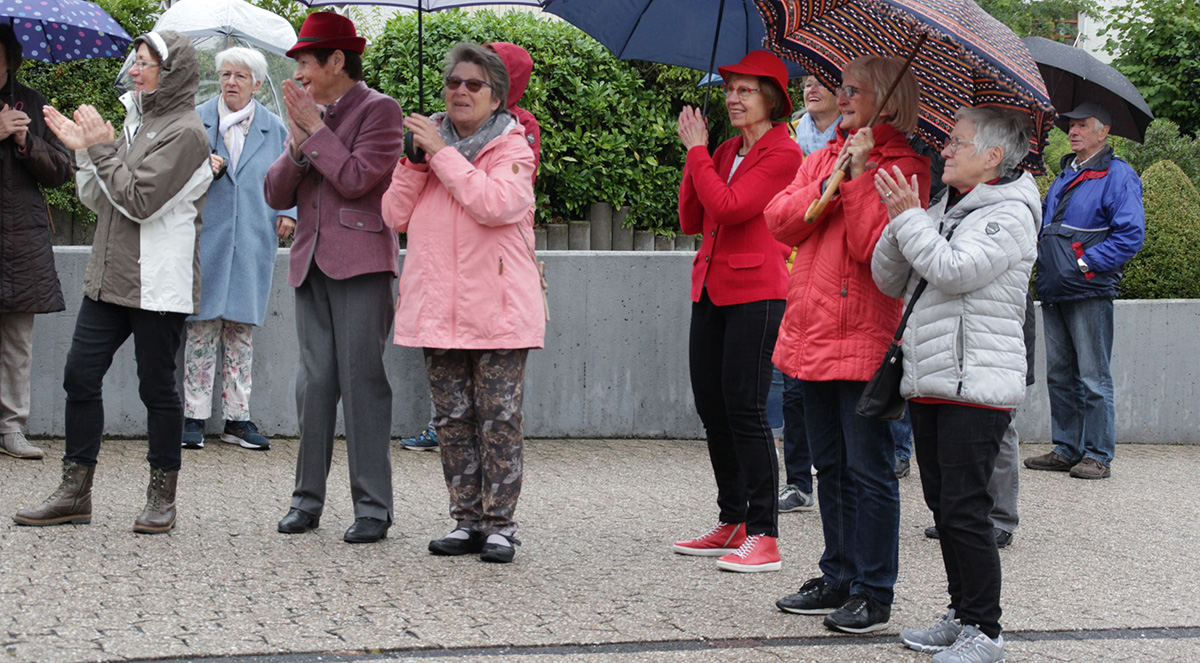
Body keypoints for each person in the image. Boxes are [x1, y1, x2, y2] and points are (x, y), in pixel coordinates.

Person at [13, 30, 212, 533]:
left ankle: (162, 495)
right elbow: (103, 200)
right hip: (110, 275)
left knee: (157, 390)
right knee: (79, 376)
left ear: (172, 74)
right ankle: (75, 492)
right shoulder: (136, 123)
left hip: (157, 285)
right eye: (136, 61)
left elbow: (141, 202)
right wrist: (84, 152)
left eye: (145, 63)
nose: (135, 69)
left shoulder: (187, 132)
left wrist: (99, 150)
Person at [766, 55, 930, 633]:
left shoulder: (904, 166)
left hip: (861, 334)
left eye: (857, 88)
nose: (845, 95)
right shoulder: (826, 154)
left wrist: (858, 183)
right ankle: (836, 573)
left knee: (869, 468)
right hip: (810, 332)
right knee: (829, 466)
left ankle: (874, 589)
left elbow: (873, 253)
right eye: (844, 86)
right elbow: (781, 219)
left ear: (887, 97)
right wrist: (833, 185)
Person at [872, 105, 1040, 663]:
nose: (945, 149)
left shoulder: (1010, 212)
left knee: (967, 509)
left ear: (993, 157)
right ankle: (962, 612)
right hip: (934, 375)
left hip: (977, 381)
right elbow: (890, 277)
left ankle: (986, 632)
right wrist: (905, 219)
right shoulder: (951, 206)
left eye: (957, 142)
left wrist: (910, 219)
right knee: (945, 506)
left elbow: (954, 271)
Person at [382, 41, 543, 564]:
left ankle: (500, 526)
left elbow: (495, 204)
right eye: (454, 83)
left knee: (498, 418)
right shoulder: (427, 150)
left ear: (496, 98)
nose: (460, 92)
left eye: (474, 84)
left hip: (497, 311)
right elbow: (393, 216)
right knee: (451, 420)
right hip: (438, 308)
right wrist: (412, 161)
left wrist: (442, 155)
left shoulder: (513, 148)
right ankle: (465, 520)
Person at [264, 12, 405, 544]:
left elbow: (356, 178)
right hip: (310, 260)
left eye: (305, 62)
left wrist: (315, 131)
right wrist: (299, 144)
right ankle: (306, 501)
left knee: (363, 382)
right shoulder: (307, 115)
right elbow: (274, 194)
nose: (299, 74)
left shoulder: (380, 110)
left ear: (337, 61)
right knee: (314, 383)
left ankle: (373, 508)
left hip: (363, 263)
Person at [669, 50, 802, 573]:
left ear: (771, 99)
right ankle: (734, 519)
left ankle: (764, 533)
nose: (733, 97)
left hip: (758, 291)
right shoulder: (723, 150)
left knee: (744, 409)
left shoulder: (783, 153)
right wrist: (696, 156)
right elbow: (689, 218)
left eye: (746, 90)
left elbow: (729, 208)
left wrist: (699, 154)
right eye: (730, 89)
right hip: (710, 287)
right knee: (712, 406)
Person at [1024, 101, 1144, 480]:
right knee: (1059, 375)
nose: (1072, 131)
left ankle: (1097, 455)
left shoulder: (1118, 175)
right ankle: (1066, 448)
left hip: (1088, 288)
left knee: (1093, 377)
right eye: (1070, 126)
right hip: (1056, 286)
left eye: (1082, 125)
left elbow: (1130, 234)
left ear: (1103, 131)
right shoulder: (1064, 175)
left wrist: (1085, 263)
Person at [184, 47, 296, 451]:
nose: (231, 82)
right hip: (206, 235)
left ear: (257, 84)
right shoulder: (197, 120)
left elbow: (289, 175)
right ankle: (193, 415)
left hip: (252, 233)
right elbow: (175, 173)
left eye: (240, 76)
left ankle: (237, 418)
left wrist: (290, 210)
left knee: (241, 331)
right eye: (226, 74)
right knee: (200, 327)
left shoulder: (273, 127)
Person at [0, 25, 72, 460]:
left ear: (10, 57)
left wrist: (27, 141)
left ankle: (11, 427)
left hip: (21, 242)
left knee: (16, 343)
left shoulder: (33, 101)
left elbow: (64, 168)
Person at [925, 287, 1035, 549]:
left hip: (999, 343)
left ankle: (1001, 519)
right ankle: (960, 517)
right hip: (964, 343)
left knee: (1003, 432)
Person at [778, 75, 841, 513]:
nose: (810, 89)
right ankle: (798, 482)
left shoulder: (853, 145)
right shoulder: (793, 138)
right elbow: (783, 207)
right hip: (793, 266)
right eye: (807, 83)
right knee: (792, 388)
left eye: (823, 83)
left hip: (833, 277)